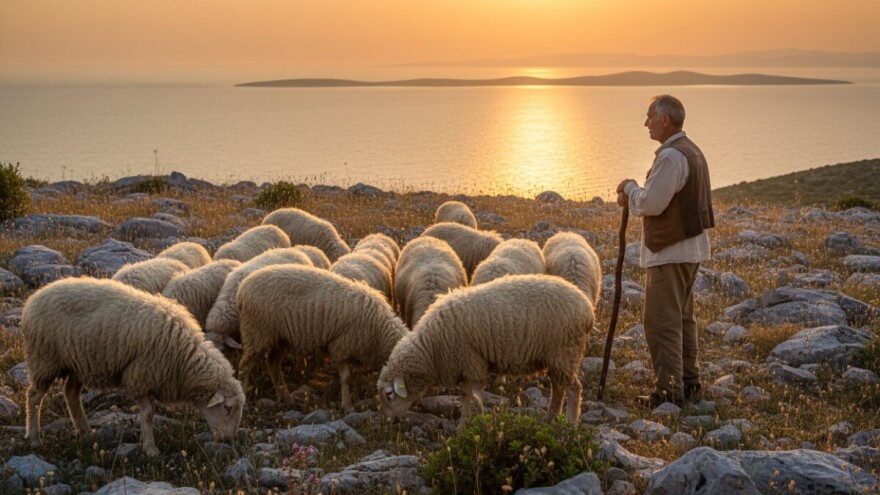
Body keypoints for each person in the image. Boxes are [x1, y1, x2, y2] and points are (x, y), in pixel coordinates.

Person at [616, 94, 714, 408]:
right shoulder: (692, 151)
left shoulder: (671, 156)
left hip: (670, 252)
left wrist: (630, 188)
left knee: (660, 322)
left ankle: (670, 392)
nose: (645, 123)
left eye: (649, 117)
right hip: (690, 249)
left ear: (665, 120)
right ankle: (689, 383)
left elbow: (651, 203)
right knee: (683, 319)